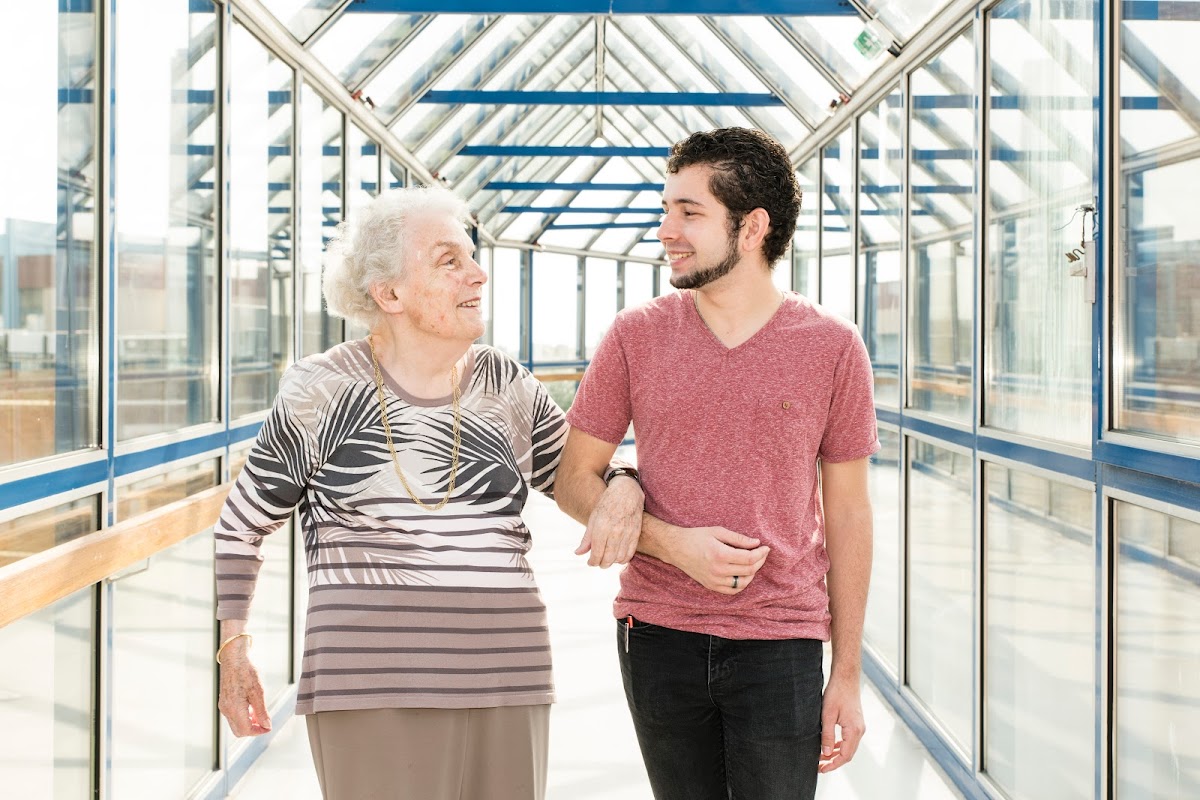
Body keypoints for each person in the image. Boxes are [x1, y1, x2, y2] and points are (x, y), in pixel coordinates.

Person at [213, 186, 643, 800]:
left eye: (471, 255)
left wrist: (626, 482)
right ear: (388, 294)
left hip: (507, 673)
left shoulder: (505, 383)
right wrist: (235, 651)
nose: (478, 273)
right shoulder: (321, 390)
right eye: (449, 261)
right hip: (369, 685)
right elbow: (241, 525)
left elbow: (580, 475)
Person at [555, 127, 878, 800]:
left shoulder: (833, 346)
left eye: (688, 212)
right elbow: (571, 478)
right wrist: (671, 544)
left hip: (781, 640)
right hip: (656, 635)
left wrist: (845, 672)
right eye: (666, 208)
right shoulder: (636, 335)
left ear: (752, 226)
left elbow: (848, 512)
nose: (666, 229)